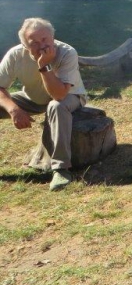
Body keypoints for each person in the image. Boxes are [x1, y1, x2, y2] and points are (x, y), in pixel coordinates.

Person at [0, 17, 87, 191]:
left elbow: (59, 94)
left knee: (56, 106)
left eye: (45, 39)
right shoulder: (16, 55)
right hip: (33, 97)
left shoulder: (67, 53)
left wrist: (44, 66)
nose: (42, 46)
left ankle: (61, 169)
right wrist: (14, 109)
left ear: (52, 37)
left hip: (69, 96)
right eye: (34, 42)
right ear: (25, 45)